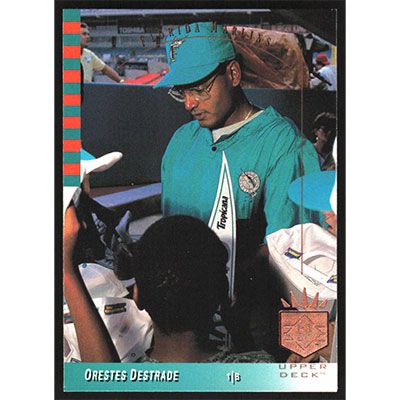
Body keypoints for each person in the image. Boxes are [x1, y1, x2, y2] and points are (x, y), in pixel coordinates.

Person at [153, 22, 322, 355]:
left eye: (199, 88)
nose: (189, 103)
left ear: (232, 74)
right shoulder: (180, 142)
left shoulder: (283, 144)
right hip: (185, 335)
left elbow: (301, 261)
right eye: (181, 91)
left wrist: (305, 354)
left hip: (251, 333)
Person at [64, 205, 275, 363]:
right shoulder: (261, 369)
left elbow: (101, 378)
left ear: (137, 296)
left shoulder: (127, 384)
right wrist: (240, 334)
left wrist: (66, 267)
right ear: (223, 293)